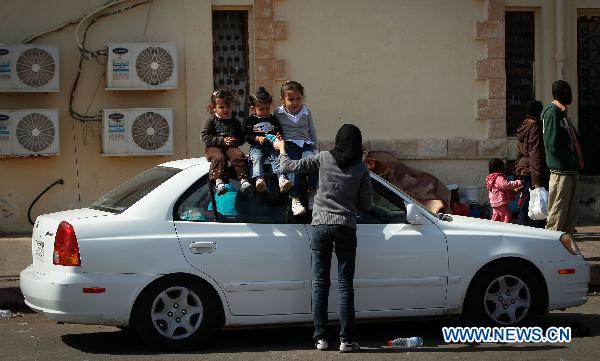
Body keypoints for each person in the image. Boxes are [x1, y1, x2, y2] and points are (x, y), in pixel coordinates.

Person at [274, 124, 373, 353]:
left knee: (320, 283)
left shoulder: (323, 158)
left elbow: (289, 166)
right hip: (346, 228)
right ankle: (346, 340)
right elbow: (367, 205)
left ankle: (321, 338)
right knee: (345, 285)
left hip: (320, 226)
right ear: (358, 144)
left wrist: (281, 148)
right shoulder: (361, 169)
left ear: (338, 140)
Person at [542, 80, 584, 234]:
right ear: (562, 93)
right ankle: (550, 249)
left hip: (570, 171)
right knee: (558, 214)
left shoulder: (562, 113)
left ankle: (567, 249)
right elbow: (552, 145)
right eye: (569, 92)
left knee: (570, 215)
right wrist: (567, 160)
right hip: (561, 172)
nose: (571, 95)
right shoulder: (552, 113)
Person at [274, 80, 318, 216]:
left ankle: (312, 192)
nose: (295, 102)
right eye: (290, 99)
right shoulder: (278, 113)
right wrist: (277, 144)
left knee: (313, 161)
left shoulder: (306, 112)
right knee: (293, 167)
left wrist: (315, 148)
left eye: (298, 98)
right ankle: (295, 198)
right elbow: (275, 130)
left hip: (305, 144)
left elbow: (312, 131)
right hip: (289, 144)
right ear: (283, 99)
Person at [201, 89, 251, 195]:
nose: (225, 110)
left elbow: (241, 138)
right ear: (214, 108)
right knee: (219, 158)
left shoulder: (235, 122)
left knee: (239, 155)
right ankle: (219, 182)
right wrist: (221, 140)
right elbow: (204, 137)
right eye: (221, 107)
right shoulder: (211, 120)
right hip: (213, 148)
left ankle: (244, 181)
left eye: (228, 106)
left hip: (230, 148)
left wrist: (235, 140)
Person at [243, 87, 291, 193]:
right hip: (257, 147)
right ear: (253, 108)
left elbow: (278, 131)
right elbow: (245, 136)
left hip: (271, 146)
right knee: (256, 157)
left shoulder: (272, 119)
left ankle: (281, 179)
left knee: (276, 157)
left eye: (267, 108)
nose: (265, 112)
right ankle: (259, 179)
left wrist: (279, 137)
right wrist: (256, 138)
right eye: (261, 109)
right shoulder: (250, 121)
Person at [515, 100, 549, 228]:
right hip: (532, 170)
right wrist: (537, 179)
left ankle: (523, 226)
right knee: (533, 200)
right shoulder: (534, 127)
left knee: (526, 200)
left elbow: (519, 152)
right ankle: (529, 228)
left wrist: (517, 171)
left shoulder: (524, 125)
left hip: (524, 168)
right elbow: (535, 153)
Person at [486, 158, 522, 223]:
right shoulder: (498, 177)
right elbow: (506, 185)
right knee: (506, 214)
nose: (504, 168)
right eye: (503, 166)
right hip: (499, 202)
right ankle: (506, 227)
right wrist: (519, 182)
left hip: (494, 202)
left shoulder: (491, 177)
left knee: (496, 216)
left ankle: (492, 227)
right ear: (498, 168)